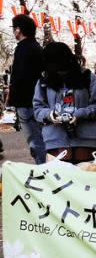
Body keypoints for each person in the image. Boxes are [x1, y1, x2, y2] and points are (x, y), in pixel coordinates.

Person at [32, 42, 96, 164]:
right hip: (54, 140)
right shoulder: (43, 80)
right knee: (59, 180)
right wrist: (49, 115)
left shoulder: (87, 76)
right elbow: (37, 109)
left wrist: (80, 114)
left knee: (86, 178)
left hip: (86, 140)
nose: (61, 71)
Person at [9, 14, 46, 163]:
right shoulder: (35, 47)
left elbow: (22, 77)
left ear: (18, 30)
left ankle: (43, 168)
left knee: (34, 139)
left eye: (13, 28)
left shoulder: (25, 49)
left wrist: (12, 97)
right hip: (35, 100)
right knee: (38, 139)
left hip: (26, 101)